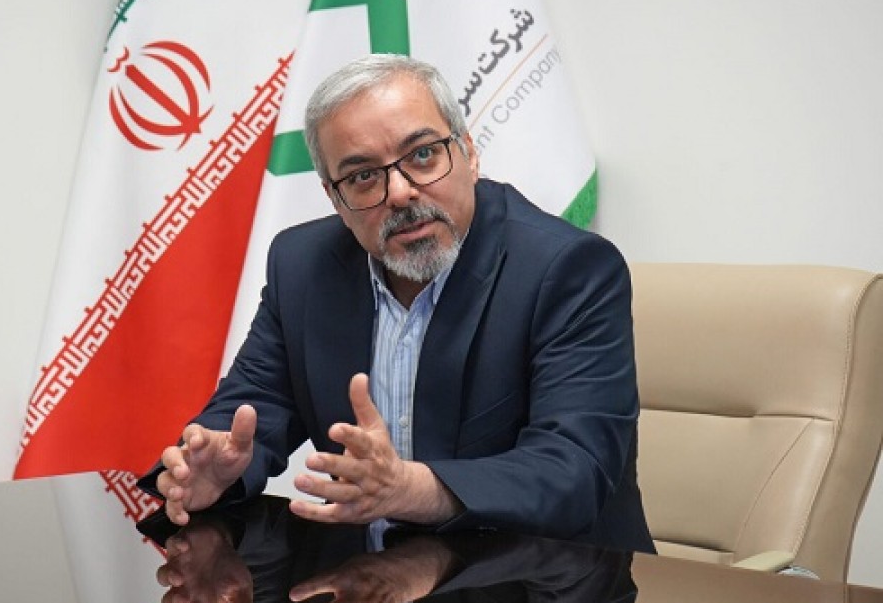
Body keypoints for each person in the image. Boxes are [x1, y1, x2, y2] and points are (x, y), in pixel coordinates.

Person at [138, 53, 652, 554]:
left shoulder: (567, 269)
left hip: (542, 583)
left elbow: (574, 471)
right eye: (363, 176)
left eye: (423, 155)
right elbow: (254, 405)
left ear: (469, 153)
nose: (401, 192)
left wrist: (410, 489)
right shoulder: (302, 266)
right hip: (369, 582)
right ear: (335, 198)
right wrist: (217, 469)